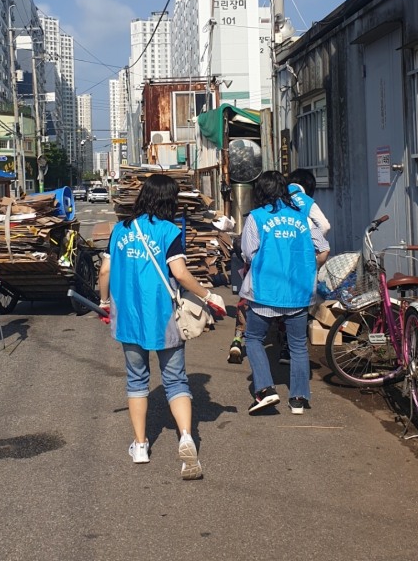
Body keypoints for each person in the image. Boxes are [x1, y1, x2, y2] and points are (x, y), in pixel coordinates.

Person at [97, 173, 226, 480]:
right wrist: (209, 296)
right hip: (163, 316)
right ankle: (185, 437)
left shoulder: (120, 229)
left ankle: (140, 446)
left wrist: (104, 302)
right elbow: (180, 274)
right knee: (176, 380)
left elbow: (105, 270)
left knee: (137, 380)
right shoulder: (169, 231)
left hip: (128, 317)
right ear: (170, 200)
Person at [239, 170, 329, 415]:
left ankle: (266, 390)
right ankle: (298, 399)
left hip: (264, 291)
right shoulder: (301, 216)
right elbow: (323, 248)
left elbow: (248, 252)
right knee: (298, 345)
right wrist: (310, 268)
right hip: (297, 292)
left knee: (254, 338)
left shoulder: (256, 217)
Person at [276, 168, 332, 365]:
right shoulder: (306, 200)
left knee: (281, 300)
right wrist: (313, 241)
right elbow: (325, 226)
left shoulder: (278, 194)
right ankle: (295, 348)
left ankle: (283, 345)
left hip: (279, 253)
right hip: (302, 257)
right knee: (301, 301)